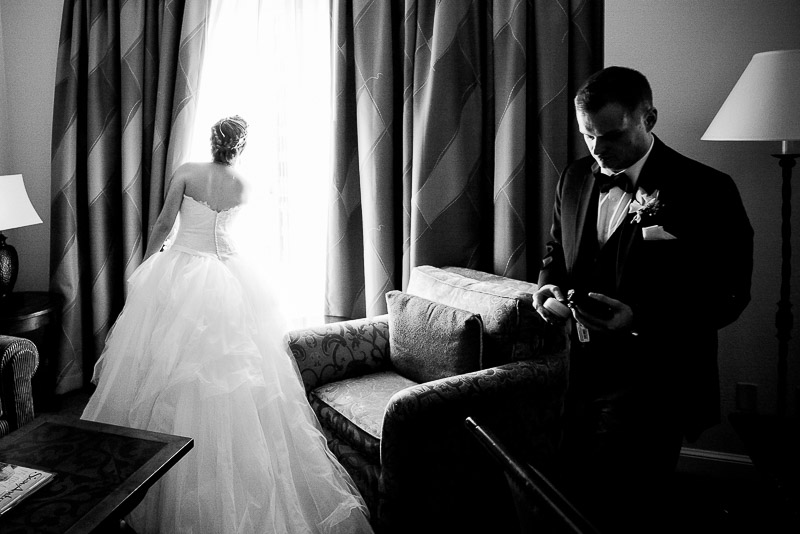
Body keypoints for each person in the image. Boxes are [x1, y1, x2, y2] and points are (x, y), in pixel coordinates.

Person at [82, 116, 373, 534]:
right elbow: (230, 233)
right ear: (240, 146)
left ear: (211, 140)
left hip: (181, 267)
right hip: (226, 272)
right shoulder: (244, 185)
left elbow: (165, 223)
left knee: (160, 367)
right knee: (234, 378)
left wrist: (148, 262)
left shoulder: (185, 171)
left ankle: (139, 477)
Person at [533, 67, 753, 533]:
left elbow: (730, 293)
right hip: (579, 372)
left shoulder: (708, 189)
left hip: (658, 377)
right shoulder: (574, 178)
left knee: (630, 504)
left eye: (610, 134)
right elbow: (557, 252)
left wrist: (642, 319)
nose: (597, 149)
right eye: (587, 135)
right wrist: (546, 285)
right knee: (574, 495)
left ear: (648, 117)